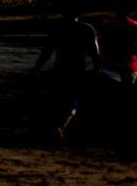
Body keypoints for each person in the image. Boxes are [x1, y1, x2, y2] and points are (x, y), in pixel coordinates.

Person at [32, 10, 103, 141]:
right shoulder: (86, 29)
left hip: (60, 68)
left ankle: (56, 126)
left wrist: (36, 69)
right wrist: (96, 69)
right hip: (77, 69)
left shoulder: (58, 29)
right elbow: (95, 53)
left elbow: (46, 52)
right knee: (72, 102)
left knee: (59, 99)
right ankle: (60, 126)